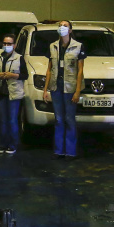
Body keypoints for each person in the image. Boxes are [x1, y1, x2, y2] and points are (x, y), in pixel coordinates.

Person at [43, 20, 85, 159]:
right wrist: (45, 89)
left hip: (70, 87)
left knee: (69, 119)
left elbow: (80, 71)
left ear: (70, 30)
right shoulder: (53, 46)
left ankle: (71, 151)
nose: (62, 28)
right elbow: (49, 69)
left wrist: (77, 91)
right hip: (56, 86)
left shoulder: (78, 46)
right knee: (59, 119)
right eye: (60, 26)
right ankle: (59, 150)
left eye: (65, 26)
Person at [0, 34, 28, 154]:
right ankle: (3, 144)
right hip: (1, 92)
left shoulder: (19, 58)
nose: (6, 46)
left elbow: (25, 75)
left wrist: (13, 75)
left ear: (14, 45)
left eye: (9, 44)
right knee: (3, 120)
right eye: (5, 43)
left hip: (14, 93)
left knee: (12, 120)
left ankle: (13, 145)